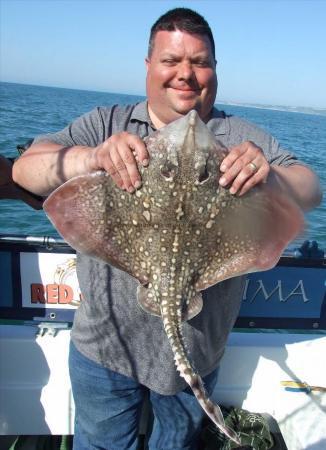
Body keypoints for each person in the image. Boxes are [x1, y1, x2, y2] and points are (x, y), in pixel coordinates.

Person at [12, 7, 322, 450]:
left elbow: (310, 189)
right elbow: (25, 169)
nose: (186, 74)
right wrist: (93, 158)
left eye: (200, 62)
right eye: (171, 60)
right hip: (103, 350)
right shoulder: (107, 123)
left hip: (196, 355)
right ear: (148, 66)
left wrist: (269, 174)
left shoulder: (240, 134)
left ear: (214, 69)